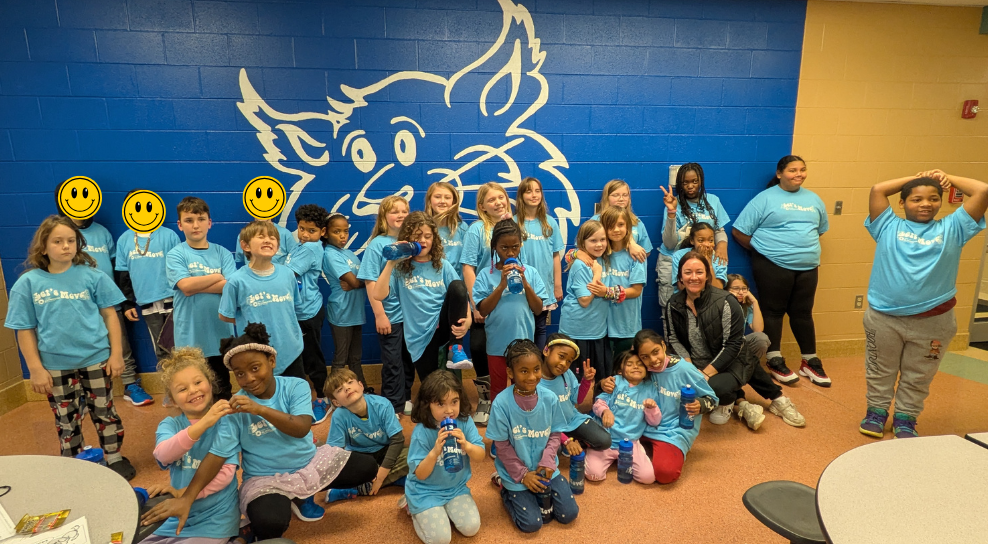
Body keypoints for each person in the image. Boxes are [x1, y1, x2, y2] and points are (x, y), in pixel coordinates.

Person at [139, 324, 378, 541]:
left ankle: (303, 495)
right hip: (266, 478)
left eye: (255, 368)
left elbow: (301, 427)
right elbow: (217, 457)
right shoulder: (235, 408)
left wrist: (260, 409)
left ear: (271, 361)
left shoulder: (295, 386)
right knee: (270, 523)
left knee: (367, 468)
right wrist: (186, 498)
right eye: (240, 374)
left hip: (308, 463)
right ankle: (285, 500)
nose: (249, 378)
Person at [4, 215, 135, 479]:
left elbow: (111, 315)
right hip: (55, 367)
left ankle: (114, 457)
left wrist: (116, 355)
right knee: (67, 419)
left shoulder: (93, 277)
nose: (66, 246)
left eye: (71, 241)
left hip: (96, 360)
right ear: (44, 247)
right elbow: (24, 329)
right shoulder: (28, 284)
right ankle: (74, 464)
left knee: (105, 412)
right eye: (58, 241)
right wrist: (35, 369)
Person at [860, 170, 988, 438]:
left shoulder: (954, 228)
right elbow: (878, 189)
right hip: (884, 318)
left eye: (933, 198)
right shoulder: (886, 225)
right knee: (879, 369)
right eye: (916, 199)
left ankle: (906, 417)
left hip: (934, 322)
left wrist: (947, 176)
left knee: (919, 374)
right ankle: (876, 412)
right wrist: (914, 178)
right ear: (902, 203)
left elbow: (983, 191)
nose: (925, 204)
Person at [664, 252, 806, 430]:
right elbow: (674, 339)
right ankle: (742, 404)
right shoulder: (673, 303)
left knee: (719, 384)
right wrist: (690, 368)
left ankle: (778, 400)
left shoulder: (725, 301)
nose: (694, 277)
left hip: (731, 360)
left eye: (699, 272)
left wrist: (705, 375)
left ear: (707, 275)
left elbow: (733, 345)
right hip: (695, 363)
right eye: (688, 272)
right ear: (680, 276)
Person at [733, 155, 831, 387]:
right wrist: (764, 252)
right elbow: (739, 232)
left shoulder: (814, 199)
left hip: (807, 267)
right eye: (792, 170)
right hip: (772, 265)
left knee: (803, 313)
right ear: (779, 174)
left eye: (802, 170)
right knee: (773, 312)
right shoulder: (765, 199)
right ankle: (774, 359)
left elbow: (820, 230)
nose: (798, 174)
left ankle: (809, 360)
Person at [53, 183, 148, 405]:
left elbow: (117, 268)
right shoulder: (60, 234)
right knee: (81, 346)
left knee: (122, 345)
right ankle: (80, 391)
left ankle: (130, 385)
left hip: (109, 302)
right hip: (78, 305)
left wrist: (124, 302)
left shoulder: (102, 232)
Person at [144, 347, 239, 544]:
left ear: (210, 384)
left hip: (215, 520)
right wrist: (203, 423)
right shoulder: (170, 425)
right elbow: (163, 455)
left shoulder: (226, 422)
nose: (193, 390)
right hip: (176, 514)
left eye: (198, 382)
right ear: (172, 400)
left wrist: (183, 493)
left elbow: (226, 473)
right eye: (182, 389)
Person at [600, 330, 718, 484]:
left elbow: (713, 399)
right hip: (638, 425)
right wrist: (602, 383)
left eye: (656, 352)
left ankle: (662, 451)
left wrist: (700, 405)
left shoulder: (685, 369)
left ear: (663, 345)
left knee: (664, 474)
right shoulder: (642, 368)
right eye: (645, 357)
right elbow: (618, 382)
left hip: (672, 430)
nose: (653, 360)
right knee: (600, 434)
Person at [486, 339, 578, 533]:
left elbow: (555, 434)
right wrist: (523, 475)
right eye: (524, 371)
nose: (532, 376)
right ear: (510, 373)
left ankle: (532, 489)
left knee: (567, 515)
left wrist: (547, 461)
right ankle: (504, 487)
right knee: (532, 524)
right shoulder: (501, 404)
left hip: (546, 469)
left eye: (536, 369)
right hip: (517, 473)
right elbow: (501, 446)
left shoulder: (550, 399)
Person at [372, 212, 473, 382]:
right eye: (418, 237)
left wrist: (468, 320)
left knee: (457, 285)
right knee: (432, 385)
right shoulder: (399, 269)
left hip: (442, 328)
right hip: (418, 336)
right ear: (408, 239)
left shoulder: (442, 265)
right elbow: (378, 294)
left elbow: (460, 293)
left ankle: (456, 347)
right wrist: (391, 263)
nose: (424, 241)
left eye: (428, 236)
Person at [402, 370, 485, 544]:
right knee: (441, 540)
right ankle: (412, 506)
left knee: (471, 528)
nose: (449, 411)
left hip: (455, 488)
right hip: (425, 491)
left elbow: (480, 455)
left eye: (454, 402)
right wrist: (434, 452)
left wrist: (467, 445)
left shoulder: (464, 422)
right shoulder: (422, 433)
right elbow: (420, 474)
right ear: (427, 405)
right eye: (440, 404)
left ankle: (443, 510)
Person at [166, 197, 236, 400]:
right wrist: (217, 277)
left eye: (200, 219)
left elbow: (230, 288)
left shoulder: (223, 253)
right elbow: (186, 287)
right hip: (190, 337)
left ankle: (224, 429)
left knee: (222, 389)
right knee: (195, 393)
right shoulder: (175, 254)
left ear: (209, 222)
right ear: (179, 225)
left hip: (220, 335)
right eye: (188, 220)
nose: (195, 225)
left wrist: (198, 283)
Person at [473, 219, 549, 399]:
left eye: (515, 247)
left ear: (521, 245)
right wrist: (501, 285)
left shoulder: (530, 272)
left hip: (524, 344)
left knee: (523, 386)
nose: (510, 252)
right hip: (497, 345)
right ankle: (500, 422)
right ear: (494, 248)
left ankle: (522, 418)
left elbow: (538, 310)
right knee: (498, 389)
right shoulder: (485, 274)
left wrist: (526, 284)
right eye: (504, 248)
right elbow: (483, 310)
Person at [218, 221, 304, 379]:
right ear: (245, 245)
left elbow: (294, 308)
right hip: (256, 353)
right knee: (263, 399)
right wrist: (251, 320)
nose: (268, 240)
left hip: (291, 350)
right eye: (261, 236)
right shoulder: (236, 281)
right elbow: (225, 315)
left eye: (272, 237)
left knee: (293, 396)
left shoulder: (288, 274)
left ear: (277, 246)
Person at [115, 190, 181, 385]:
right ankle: (171, 388)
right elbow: (123, 275)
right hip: (146, 302)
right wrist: (127, 304)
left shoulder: (168, 235)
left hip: (173, 300)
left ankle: (186, 386)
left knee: (179, 345)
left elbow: (179, 268)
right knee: (160, 347)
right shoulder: (124, 240)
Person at [460, 182, 513, 424]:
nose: (498, 202)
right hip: (485, 298)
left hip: (511, 299)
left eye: (501, 197)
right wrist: (474, 303)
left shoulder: (514, 226)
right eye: (491, 199)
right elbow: (468, 267)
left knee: (512, 350)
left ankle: (512, 398)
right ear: (482, 206)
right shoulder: (477, 230)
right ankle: (485, 398)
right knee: (480, 347)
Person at [358, 195, 414, 415]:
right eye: (394, 211)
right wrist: (380, 314)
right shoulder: (378, 244)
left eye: (404, 211)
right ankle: (393, 405)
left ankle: (405, 397)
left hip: (411, 315)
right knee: (393, 363)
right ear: (384, 216)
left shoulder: (412, 244)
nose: (400, 215)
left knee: (409, 359)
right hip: (390, 315)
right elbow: (370, 281)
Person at [324, 369, 409, 500]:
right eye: (339, 389)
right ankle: (397, 478)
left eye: (350, 382)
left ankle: (359, 487)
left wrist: (380, 477)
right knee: (336, 465)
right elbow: (335, 451)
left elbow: (397, 440)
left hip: (386, 451)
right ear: (336, 402)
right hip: (361, 458)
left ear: (361, 386)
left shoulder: (382, 404)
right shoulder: (339, 416)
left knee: (415, 455)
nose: (347, 388)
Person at [658, 163, 731, 306]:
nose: (690, 186)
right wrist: (672, 212)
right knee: (672, 306)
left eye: (694, 181)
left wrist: (722, 244)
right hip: (673, 258)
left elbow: (719, 230)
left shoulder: (713, 200)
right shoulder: (674, 202)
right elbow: (669, 243)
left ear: (701, 181)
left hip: (703, 259)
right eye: (685, 182)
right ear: (679, 183)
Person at [286, 204, 331, 422]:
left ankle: (323, 398)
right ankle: (300, 400)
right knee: (298, 360)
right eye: (301, 229)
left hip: (308, 314)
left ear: (322, 232)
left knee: (312, 359)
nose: (304, 234)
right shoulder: (299, 246)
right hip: (295, 313)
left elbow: (287, 273)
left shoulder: (312, 249)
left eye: (311, 231)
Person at [587, 351, 660, 484]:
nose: (635, 367)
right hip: (606, 441)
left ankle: (624, 458)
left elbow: (655, 421)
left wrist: (652, 409)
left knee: (648, 478)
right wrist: (605, 412)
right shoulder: (615, 382)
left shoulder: (651, 388)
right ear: (621, 370)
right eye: (629, 364)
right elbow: (598, 403)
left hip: (630, 442)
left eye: (640, 364)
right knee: (593, 475)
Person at [538, 333, 611, 455]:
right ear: (546, 351)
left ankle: (574, 441)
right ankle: (566, 442)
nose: (564, 364)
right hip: (549, 428)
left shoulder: (567, 375)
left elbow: (578, 399)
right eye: (561, 356)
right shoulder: (536, 382)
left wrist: (586, 381)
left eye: (568, 361)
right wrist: (565, 441)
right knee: (554, 449)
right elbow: (541, 422)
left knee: (605, 440)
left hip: (572, 421)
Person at [515, 177, 565, 349]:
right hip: (520, 286)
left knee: (540, 327)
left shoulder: (549, 223)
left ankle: (538, 366)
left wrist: (557, 285)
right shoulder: (515, 223)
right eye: (528, 191)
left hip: (544, 286)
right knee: (522, 328)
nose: (534, 195)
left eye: (537, 191)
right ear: (521, 196)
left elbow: (555, 256)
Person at [558, 220, 611, 381]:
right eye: (593, 241)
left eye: (602, 239)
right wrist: (597, 274)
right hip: (578, 331)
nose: (599, 244)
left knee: (597, 380)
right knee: (578, 381)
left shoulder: (601, 259)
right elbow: (585, 300)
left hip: (596, 330)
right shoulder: (581, 265)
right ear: (582, 242)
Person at [322, 213, 368, 394]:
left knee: (355, 357)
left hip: (356, 312)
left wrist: (359, 282)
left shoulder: (348, 253)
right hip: (341, 312)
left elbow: (360, 280)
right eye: (337, 231)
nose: (342, 236)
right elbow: (357, 282)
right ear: (325, 233)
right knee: (341, 359)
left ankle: (363, 390)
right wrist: (360, 283)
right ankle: (335, 394)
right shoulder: (330, 254)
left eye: (346, 231)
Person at [599, 206, 647, 355]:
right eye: (611, 226)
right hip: (601, 327)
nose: (616, 230)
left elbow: (636, 291)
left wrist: (607, 292)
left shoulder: (636, 255)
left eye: (620, 225)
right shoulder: (599, 253)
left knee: (624, 371)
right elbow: (573, 254)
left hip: (627, 326)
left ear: (628, 227)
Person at [591, 179, 651, 263]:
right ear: (606, 197)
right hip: (603, 270)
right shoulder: (596, 220)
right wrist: (629, 243)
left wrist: (636, 249)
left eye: (625, 195)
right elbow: (581, 249)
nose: (621, 199)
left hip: (627, 270)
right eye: (615, 195)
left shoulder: (636, 221)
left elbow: (646, 251)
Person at [425, 181, 467, 279]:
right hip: (433, 284)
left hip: (458, 285)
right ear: (429, 200)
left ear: (454, 201)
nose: (442, 201)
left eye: (447, 198)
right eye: (437, 197)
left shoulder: (462, 227)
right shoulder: (423, 227)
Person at [726, 274, 770, 362]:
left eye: (744, 288)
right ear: (726, 290)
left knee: (761, 338)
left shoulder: (747, 306)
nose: (741, 292)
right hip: (722, 346)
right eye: (736, 288)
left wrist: (754, 302)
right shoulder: (720, 304)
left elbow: (758, 330)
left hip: (738, 344)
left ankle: (747, 369)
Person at [670, 222, 727, 292]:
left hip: (712, 300)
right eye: (701, 240)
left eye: (711, 240)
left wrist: (708, 262)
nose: (707, 244)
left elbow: (718, 289)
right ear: (692, 241)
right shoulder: (679, 255)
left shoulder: (718, 258)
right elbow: (682, 287)